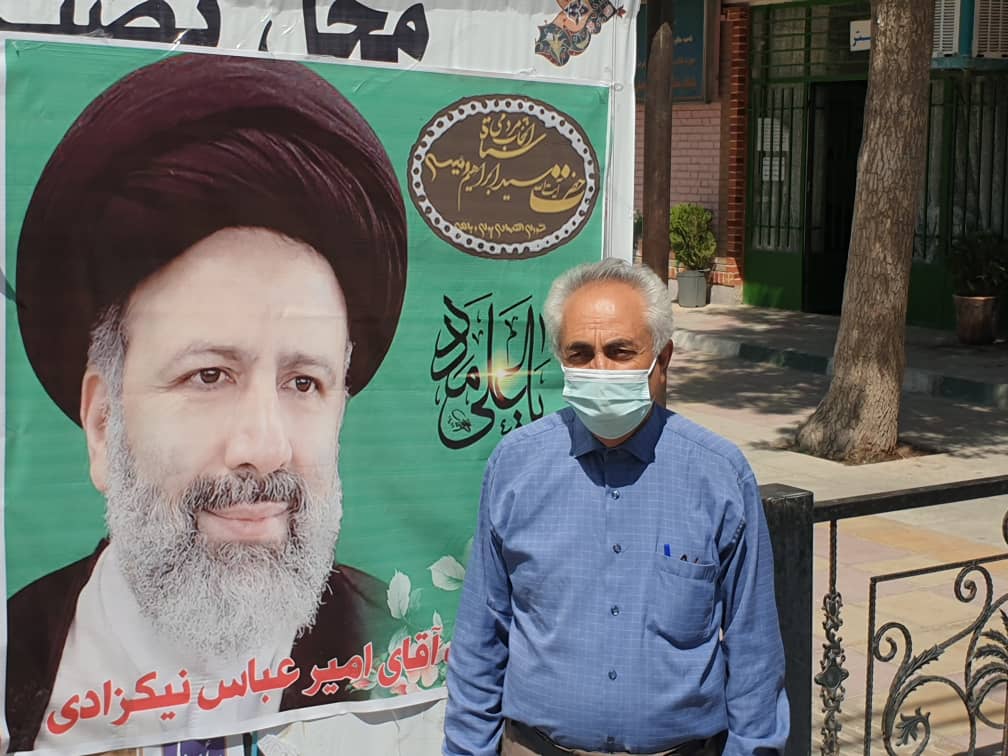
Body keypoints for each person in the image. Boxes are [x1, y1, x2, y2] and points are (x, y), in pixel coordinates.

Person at [6, 52, 407, 753]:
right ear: (103, 424)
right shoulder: (16, 653)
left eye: (303, 383)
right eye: (210, 376)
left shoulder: (406, 646)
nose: (265, 448)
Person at [443, 259, 789, 756]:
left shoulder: (718, 476)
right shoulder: (515, 467)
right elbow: (481, 637)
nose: (600, 370)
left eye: (620, 351)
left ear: (662, 359)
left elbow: (754, 650)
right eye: (580, 353)